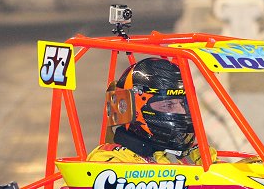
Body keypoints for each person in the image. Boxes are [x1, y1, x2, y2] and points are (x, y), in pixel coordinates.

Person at [87, 57, 216, 164]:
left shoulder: (197, 155)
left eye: (183, 103)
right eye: (168, 105)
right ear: (133, 109)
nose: (182, 112)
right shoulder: (111, 161)